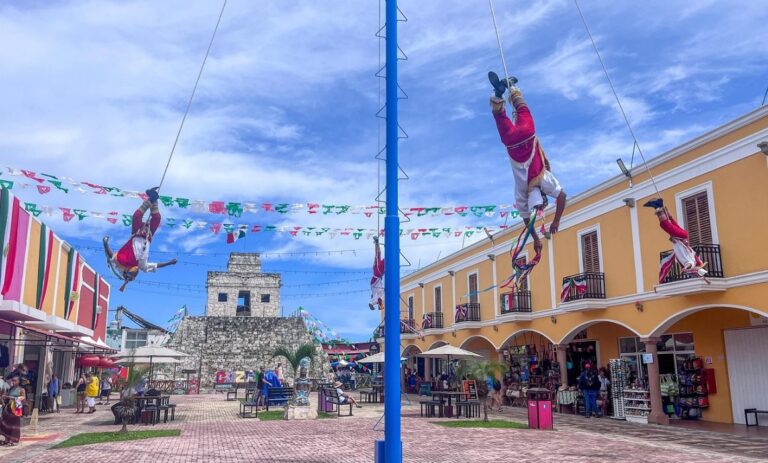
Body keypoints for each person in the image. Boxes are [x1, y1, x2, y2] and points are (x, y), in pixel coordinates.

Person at [489, 72, 567, 255]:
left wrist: (556, 221)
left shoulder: (545, 180)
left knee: (522, 109)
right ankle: (498, 94)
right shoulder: (521, 192)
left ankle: (511, 88)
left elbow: (562, 197)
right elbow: (526, 219)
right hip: (511, 143)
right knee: (500, 119)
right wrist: (538, 238)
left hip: (527, 134)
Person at [103, 187, 177, 292]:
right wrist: (170, 262)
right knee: (157, 219)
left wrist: (105, 244)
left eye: (133, 272)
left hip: (137, 233)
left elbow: (111, 256)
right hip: (148, 235)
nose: (136, 270)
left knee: (136, 216)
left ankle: (150, 199)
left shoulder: (121, 264)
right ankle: (153, 198)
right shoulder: (142, 266)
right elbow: (156, 265)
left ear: (128, 272)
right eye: (136, 273)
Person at [643, 198, 708, 281]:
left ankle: (660, 206)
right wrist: (685, 268)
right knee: (664, 224)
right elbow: (690, 266)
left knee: (670, 220)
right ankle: (657, 205)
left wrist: (703, 276)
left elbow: (687, 249)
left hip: (683, 235)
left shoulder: (693, 256)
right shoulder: (690, 262)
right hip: (680, 237)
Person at [0, 375, 24, 446]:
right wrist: (3, 398)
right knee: (6, 424)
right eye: (12, 380)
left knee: (14, 425)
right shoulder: (10, 389)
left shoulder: (21, 389)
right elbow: (6, 396)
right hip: (8, 409)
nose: (13, 382)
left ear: (19, 381)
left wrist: (11, 397)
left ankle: (12, 440)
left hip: (15, 410)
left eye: (15, 380)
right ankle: (7, 439)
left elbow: (22, 397)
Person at [368, 236, 385, 310]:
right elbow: (376, 256)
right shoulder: (378, 295)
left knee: (381, 256)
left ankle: (377, 242)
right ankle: (376, 242)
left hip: (377, 276)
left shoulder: (378, 297)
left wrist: (372, 304)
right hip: (375, 278)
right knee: (378, 254)